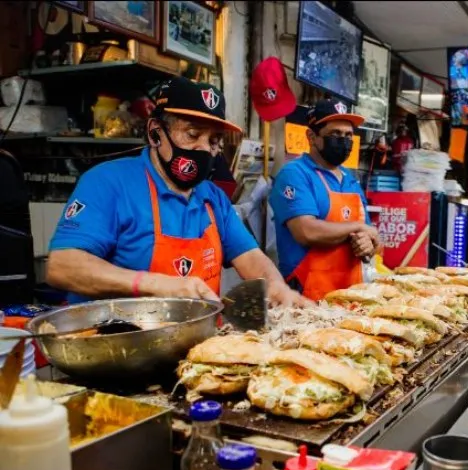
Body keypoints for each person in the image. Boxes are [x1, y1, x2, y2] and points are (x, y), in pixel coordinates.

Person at [47, 76, 308, 308]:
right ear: (155, 133)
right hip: (116, 349)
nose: (204, 148)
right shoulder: (108, 183)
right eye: (193, 134)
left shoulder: (213, 198)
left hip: (197, 352)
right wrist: (158, 284)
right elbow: (63, 265)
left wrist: (274, 285)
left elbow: (250, 257)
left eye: (213, 141)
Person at [269, 99, 379, 301]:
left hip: (352, 297)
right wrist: (357, 228)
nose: (344, 141)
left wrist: (368, 245)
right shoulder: (295, 174)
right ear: (311, 136)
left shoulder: (350, 180)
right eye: (335, 134)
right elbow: (306, 231)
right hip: (307, 297)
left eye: (348, 135)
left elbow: (372, 235)